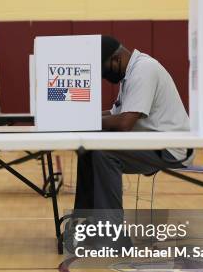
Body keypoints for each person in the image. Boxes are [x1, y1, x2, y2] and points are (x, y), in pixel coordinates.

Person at [74, 35, 194, 211]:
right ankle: (85, 220)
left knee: (103, 153)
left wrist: (88, 122)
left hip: (173, 150)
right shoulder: (130, 73)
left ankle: (111, 232)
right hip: (153, 143)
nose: (104, 77)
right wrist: (83, 118)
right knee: (87, 149)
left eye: (104, 70)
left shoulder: (144, 70)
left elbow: (124, 124)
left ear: (117, 59)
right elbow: (115, 114)